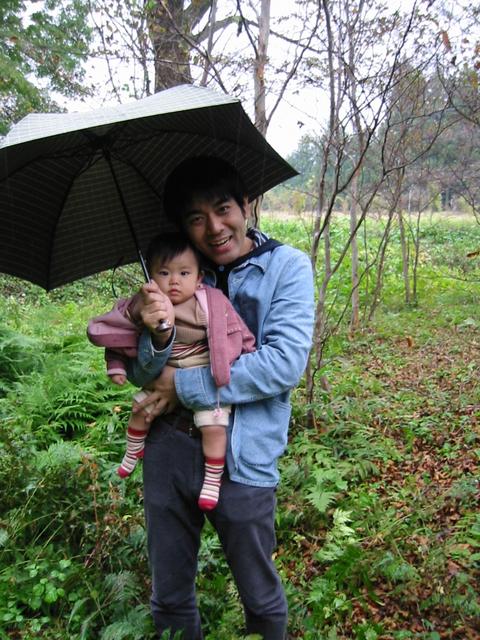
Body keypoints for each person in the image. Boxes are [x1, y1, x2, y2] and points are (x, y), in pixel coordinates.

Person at [128, 156, 315, 640]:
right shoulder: (177, 273)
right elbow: (140, 373)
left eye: (223, 208)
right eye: (195, 218)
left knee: (260, 595)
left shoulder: (287, 267)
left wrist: (182, 386)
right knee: (169, 595)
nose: (213, 227)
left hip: (244, 457)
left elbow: (282, 363)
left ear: (246, 205)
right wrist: (155, 333)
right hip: (168, 451)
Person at [87, 232, 255, 511]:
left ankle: (213, 479)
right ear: (150, 277)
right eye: (164, 273)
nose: (174, 281)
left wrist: (244, 351)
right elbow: (120, 337)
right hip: (162, 379)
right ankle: (132, 450)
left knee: (214, 427)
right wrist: (115, 365)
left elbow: (236, 330)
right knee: (140, 407)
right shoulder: (148, 304)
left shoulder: (210, 303)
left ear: (199, 277)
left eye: (184, 273)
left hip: (204, 376)